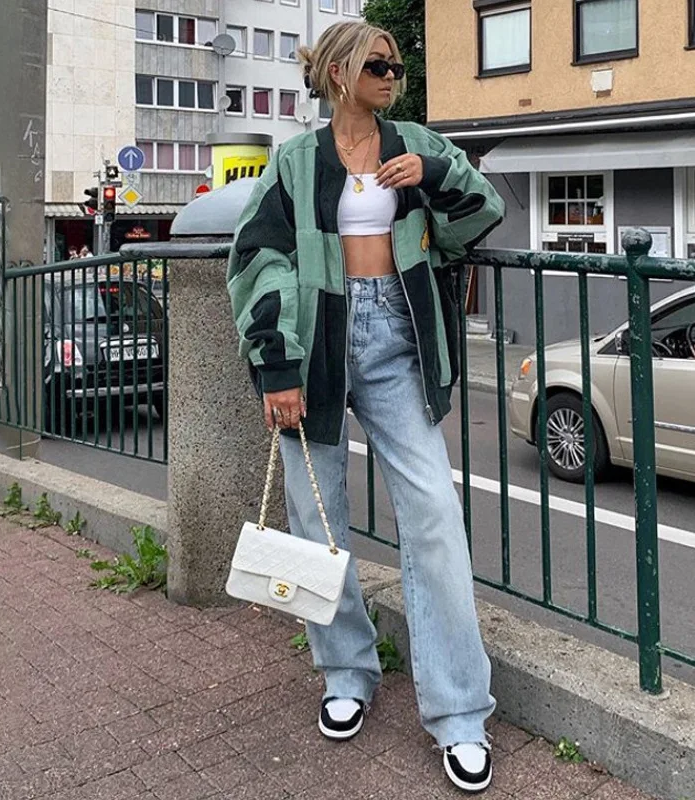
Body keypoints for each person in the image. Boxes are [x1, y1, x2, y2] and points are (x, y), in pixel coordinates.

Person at [227, 21, 505, 793]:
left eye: (397, 67)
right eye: (379, 65)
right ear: (340, 74)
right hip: (315, 346)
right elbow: (257, 257)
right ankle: (346, 672)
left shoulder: (416, 144)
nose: (392, 77)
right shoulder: (296, 161)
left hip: (396, 339)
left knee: (435, 517)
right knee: (319, 522)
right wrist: (276, 366)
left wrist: (433, 178)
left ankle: (459, 712)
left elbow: (479, 218)